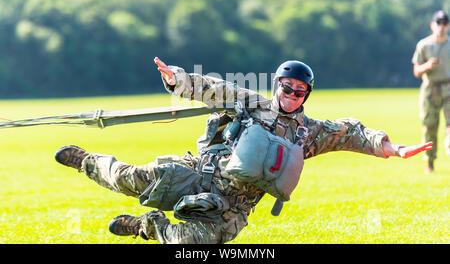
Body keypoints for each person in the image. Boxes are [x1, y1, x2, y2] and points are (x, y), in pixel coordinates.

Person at [54, 57, 432, 244]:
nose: (291, 95)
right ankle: (86, 160)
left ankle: (145, 228)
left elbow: (352, 133)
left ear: (306, 95)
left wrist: (393, 148)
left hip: (232, 209)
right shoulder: (250, 103)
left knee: (192, 246)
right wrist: (177, 79)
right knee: (129, 180)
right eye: (286, 87)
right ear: (277, 86)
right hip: (199, 173)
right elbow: (211, 88)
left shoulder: (309, 134)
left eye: (299, 91)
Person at [412, 10, 450, 174]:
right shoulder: (424, 45)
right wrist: (428, 66)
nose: (441, 26)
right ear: (432, 25)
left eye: (444, 23)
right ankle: (430, 163)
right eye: (438, 23)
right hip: (430, 88)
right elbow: (417, 71)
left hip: (448, 87)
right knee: (430, 126)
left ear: (448, 26)